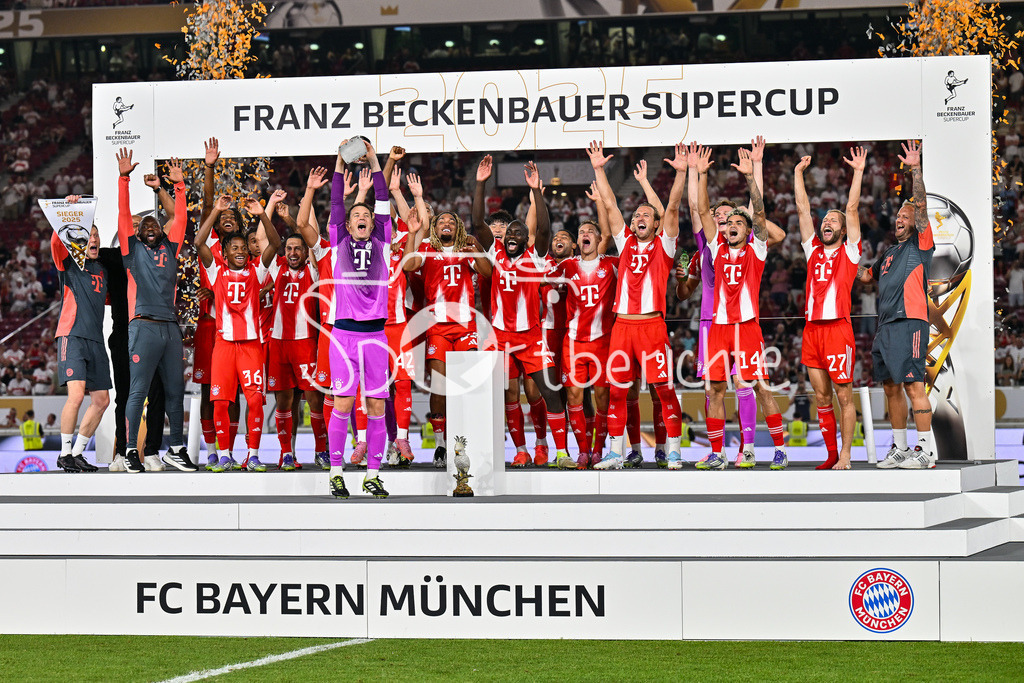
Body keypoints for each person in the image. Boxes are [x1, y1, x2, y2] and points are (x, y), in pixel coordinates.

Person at [586, 140, 685, 470]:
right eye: (637, 214)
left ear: (656, 225)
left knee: (663, 391)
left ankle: (672, 450)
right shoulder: (625, 242)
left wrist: (681, 175)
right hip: (622, 328)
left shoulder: (665, 247)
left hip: (651, 326)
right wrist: (599, 169)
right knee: (617, 393)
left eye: (646, 215)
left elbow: (670, 209)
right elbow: (611, 205)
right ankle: (615, 453)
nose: (640, 216)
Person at [689, 137, 786, 468]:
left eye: (736, 223)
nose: (729, 226)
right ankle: (717, 454)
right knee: (714, 390)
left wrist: (750, 176)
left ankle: (779, 450)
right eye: (727, 223)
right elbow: (702, 211)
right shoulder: (715, 249)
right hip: (718, 328)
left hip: (746, 328)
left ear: (748, 230)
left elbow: (759, 212)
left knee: (759, 388)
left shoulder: (757, 251)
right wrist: (700, 174)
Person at [405, 167, 492, 470]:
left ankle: (465, 442)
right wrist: (415, 233)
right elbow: (409, 265)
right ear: (434, 227)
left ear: (457, 228)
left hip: (465, 324)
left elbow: (488, 273)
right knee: (439, 387)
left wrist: (477, 248)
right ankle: (441, 444)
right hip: (437, 328)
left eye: (450, 220)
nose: (445, 222)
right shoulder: (426, 247)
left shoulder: (468, 248)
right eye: (440, 219)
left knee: (464, 386)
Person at [115, 149, 196, 473]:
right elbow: (123, 215)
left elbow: (182, 218)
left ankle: (176, 447)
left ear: (162, 230)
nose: (150, 226)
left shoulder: (170, 246)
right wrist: (124, 179)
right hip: (144, 327)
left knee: (176, 391)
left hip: (170, 329)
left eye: (155, 223)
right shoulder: (131, 250)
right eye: (144, 224)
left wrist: (179, 187)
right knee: (137, 392)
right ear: (137, 232)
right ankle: (130, 450)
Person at [488, 163, 572, 468]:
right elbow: (475, 221)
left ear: (527, 241)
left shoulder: (534, 259)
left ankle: (558, 451)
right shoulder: (496, 252)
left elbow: (544, 229)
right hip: (500, 337)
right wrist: (482, 183)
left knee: (549, 392)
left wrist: (537, 192)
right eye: (510, 231)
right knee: (510, 394)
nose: (512, 235)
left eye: (519, 233)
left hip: (531, 335)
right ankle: (521, 450)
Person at [859, 140, 936, 469]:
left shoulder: (921, 244)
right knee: (891, 388)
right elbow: (865, 276)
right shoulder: (889, 254)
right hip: (885, 327)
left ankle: (927, 451)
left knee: (913, 385)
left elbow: (920, 207)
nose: (900, 220)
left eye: (906, 216)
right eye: (899, 217)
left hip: (910, 322)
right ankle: (901, 448)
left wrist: (915, 170)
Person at [325, 138, 395, 499]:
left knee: (378, 405)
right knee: (343, 404)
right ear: (348, 225)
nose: (362, 217)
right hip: (344, 336)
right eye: (356, 216)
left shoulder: (382, 238)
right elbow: (337, 201)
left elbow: (382, 199)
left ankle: (372, 475)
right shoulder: (338, 241)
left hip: (375, 336)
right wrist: (339, 162)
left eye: (366, 214)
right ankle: (336, 472)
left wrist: (374, 160)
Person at [195, 193, 282, 472]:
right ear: (226, 251)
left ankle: (253, 455)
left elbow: (276, 244)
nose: (241, 251)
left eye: (244, 247)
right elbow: (198, 242)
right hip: (223, 346)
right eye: (235, 248)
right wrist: (215, 210)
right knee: (220, 400)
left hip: (250, 346)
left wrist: (262, 215)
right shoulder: (215, 271)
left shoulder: (257, 273)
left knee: (255, 400)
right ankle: (223, 455)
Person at [794, 146, 865, 470]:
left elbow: (851, 207)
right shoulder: (813, 252)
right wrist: (797, 174)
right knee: (821, 398)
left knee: (843, 395)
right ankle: (831, 454)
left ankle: (847, 455)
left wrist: (858, 172)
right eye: (825, 219)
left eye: (832, 220)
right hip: (812, 331)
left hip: (838, 329)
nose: (827, 222)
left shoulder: (850, 253)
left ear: (842, 230)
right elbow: (802, 206)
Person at [551, 216, 617, 469]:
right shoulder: (567, 266)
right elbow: (543, 281)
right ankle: (582, 451)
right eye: (581, 232)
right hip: (573, 342)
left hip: (603, 342)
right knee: (574, 397)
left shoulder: (612, 264)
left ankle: (598, 450)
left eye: (591, 231)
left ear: (599, 239)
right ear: (578, 242)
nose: (585, 234)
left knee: (602, 397)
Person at [51, 218, 109, 472]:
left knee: (102, 400)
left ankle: (76, 453)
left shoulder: (103, 270)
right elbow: (56, 241)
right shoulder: (69, 265)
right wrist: (70, 215)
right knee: (76, 395)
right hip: (72, 336)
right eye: (88, 236)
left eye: (96, 235)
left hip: (96, 340)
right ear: (77, 243)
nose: (94, 239)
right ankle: (64, 453)